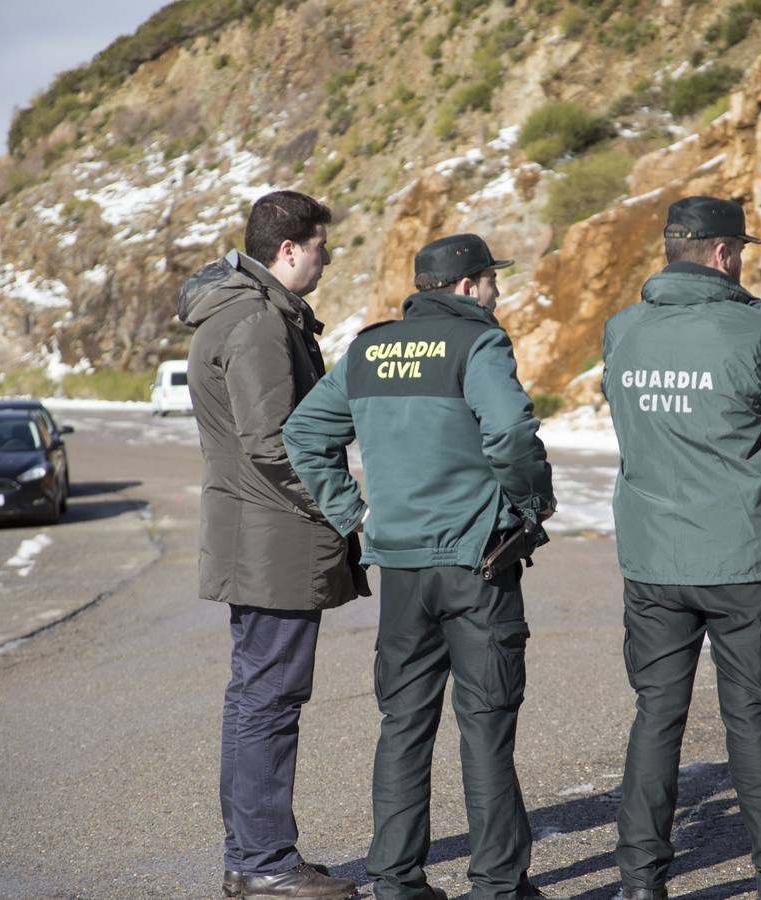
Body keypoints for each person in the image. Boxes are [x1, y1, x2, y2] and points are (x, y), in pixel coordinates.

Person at [283, 233, 557, 900]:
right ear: (466, 286)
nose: (496, 291)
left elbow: (305, 434)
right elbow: (513, 433)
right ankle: (496, 885)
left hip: (403, 569)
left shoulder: (370, 348)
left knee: (403, 725)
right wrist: (530, 504)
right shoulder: (479, 343)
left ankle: (396, 882)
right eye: (491, 279)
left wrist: (357, 515)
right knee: (487, 725)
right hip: (477, 564)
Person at [601, 197, 761, 900]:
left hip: (654, 558)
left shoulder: (622, 331)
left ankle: (640, 882)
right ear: (725, 253)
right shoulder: (750, 330)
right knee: (752, 723)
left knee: (656, 718)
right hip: (742, 559)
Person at [179, 190, 365, 900]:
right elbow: (275, 444)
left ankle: (249, 856)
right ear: (288, 249)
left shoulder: (238, 311)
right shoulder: (258, 323)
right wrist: (348, 512)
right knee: (269, 700)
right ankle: (265, 863)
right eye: (321, 245)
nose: (327, 257)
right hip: (273, 538)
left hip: (253, 534)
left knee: (254, 697)